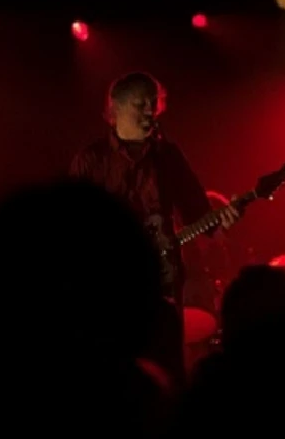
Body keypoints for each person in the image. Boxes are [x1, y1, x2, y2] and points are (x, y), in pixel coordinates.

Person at [70, 71, 240, 380]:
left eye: (153, 103)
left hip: (163, 285)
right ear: (114, 110)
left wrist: (221, 222)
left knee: (166, 366)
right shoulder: (91, 160)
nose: (150, 111)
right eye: (140, 104)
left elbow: (197, 213)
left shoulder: (169, 157)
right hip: (108, 289)